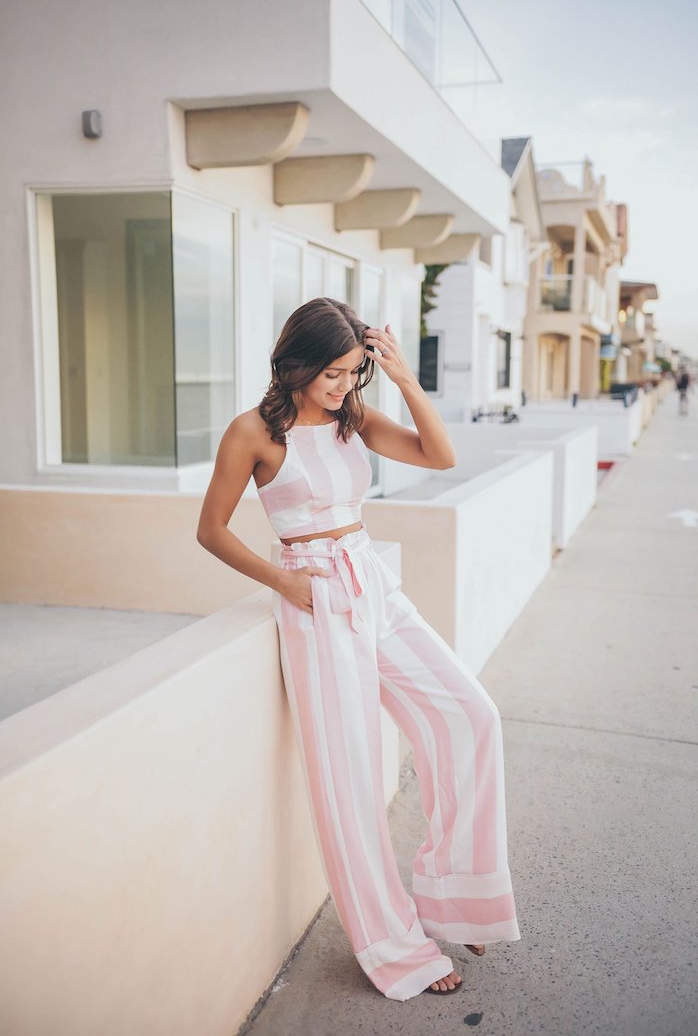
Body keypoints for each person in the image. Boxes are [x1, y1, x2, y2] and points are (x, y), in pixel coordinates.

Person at [196, 298, 521, 1002]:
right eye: (333, 372)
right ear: (298, 361)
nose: (344, 386)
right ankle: (396, 946)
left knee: (470, 714)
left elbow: (441, 455)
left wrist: (406, 381)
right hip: (315, 602)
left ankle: (457, 899)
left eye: (354, 373)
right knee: (351, 782)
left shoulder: (354, 420)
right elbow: (212, 530)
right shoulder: (252, 432)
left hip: (371, 581)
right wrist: (286, 582)